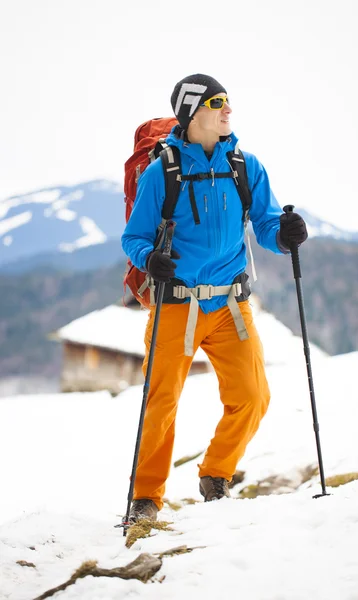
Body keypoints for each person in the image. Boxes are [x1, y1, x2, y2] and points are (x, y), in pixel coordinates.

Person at [121, 73, 308, 521]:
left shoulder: (245, 165)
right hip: (176, 304)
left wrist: (284, 236)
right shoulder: (161, 171)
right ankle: (146, 497)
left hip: (229, 304)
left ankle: (216, 475)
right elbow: (134, 237)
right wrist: (150, 259)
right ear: (192, 112)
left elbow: (264, 224)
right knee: (160, 404)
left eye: (227, 101)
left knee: (253, 396)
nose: (228, 109)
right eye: (217, 101)